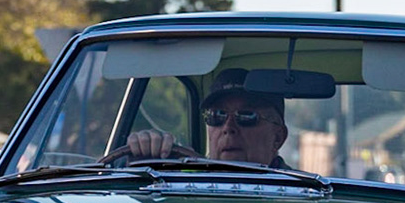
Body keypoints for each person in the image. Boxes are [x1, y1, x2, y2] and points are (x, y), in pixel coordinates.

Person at [117, 69, 289, 166]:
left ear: (278, 137)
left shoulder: (299, 195)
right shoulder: (184, 177)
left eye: (246, 116)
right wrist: (143, 164)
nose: (228, 127)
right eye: (217, 116)